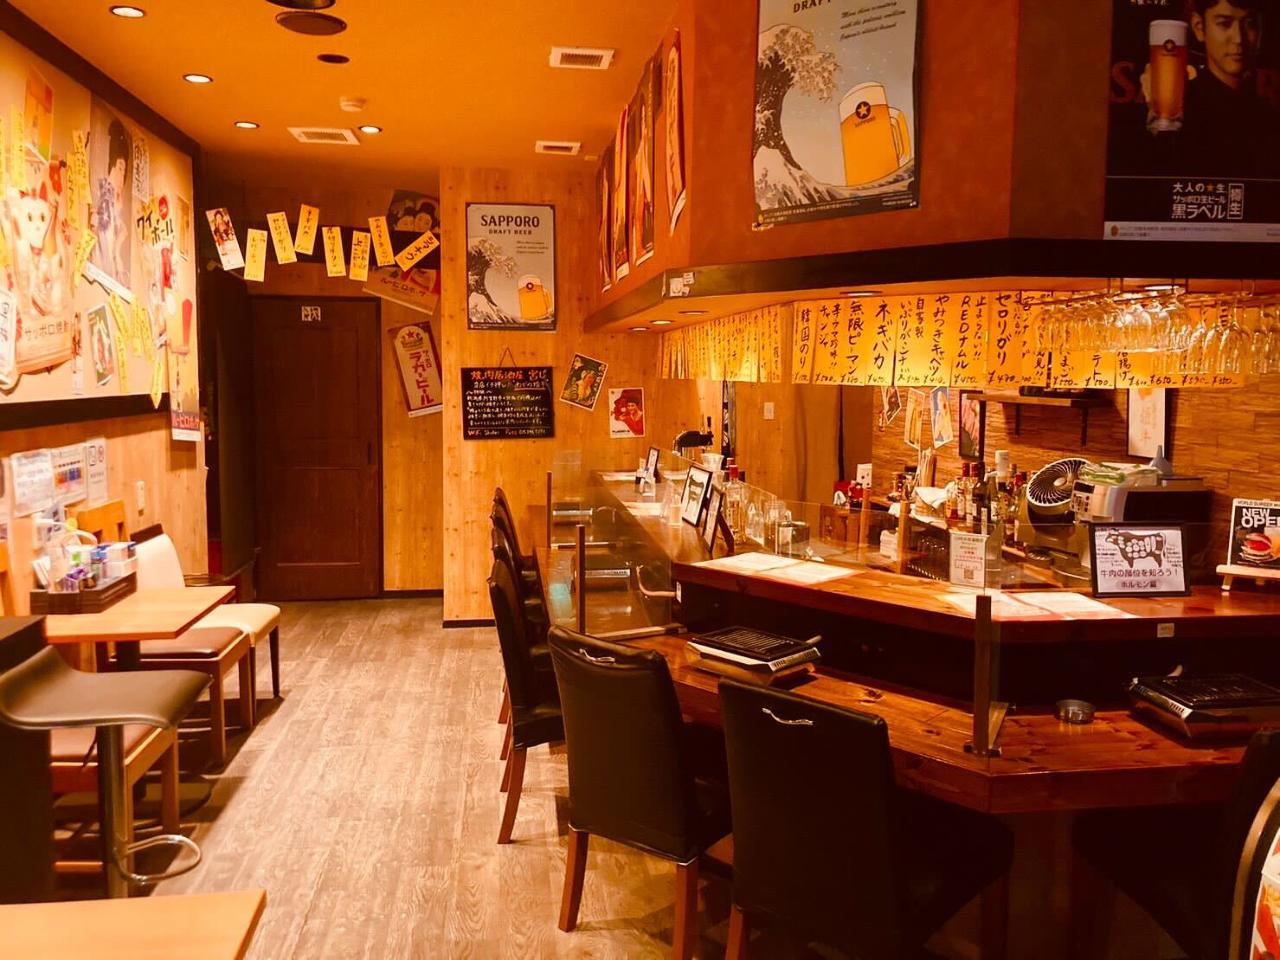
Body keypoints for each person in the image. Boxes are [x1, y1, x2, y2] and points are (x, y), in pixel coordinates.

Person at [1181, 0, 1280, 177]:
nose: (1239, 39)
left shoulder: (1267, 115)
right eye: (1224, 24)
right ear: (1199, 27)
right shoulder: (1180, 109)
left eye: (1250, 23)